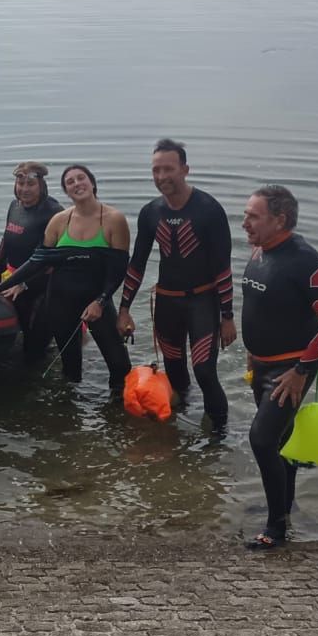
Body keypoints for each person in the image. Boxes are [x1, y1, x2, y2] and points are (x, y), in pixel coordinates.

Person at [238, 185, 318, 550]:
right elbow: (260, 304)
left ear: (279, 219)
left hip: (289, 371)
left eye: (253, 216)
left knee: (262, 439)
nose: (244, 223)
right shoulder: (260, 249)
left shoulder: (304, 260)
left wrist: (302, 370)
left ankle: (276, 529)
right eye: (246, 215)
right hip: (263, 365)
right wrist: (252, 350)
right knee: (280, 441)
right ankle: (283, 503)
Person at [118, 138, 236, 437]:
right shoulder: (150, 212)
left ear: (185, 169)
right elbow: (137, 264)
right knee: (175, 372)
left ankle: (218, 439)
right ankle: (177, 429)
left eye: (168, 169)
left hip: (202, 301)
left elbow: (222, 268)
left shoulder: (209, 209)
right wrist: (124, 309)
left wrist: (227, 316)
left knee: (205, 371)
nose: (161, 177)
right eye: (155, 170)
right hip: (167, 303)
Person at [0, 164, 132, 395]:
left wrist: (100, 301)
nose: (77, 184)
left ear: (92, 183)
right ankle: (70, 421)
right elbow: (38, 260)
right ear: (66, 191)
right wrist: (2, 287)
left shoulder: (114, 219)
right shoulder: (59, 221)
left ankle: (118, 414)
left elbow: (118, 270)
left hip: (96, 301)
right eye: (70, 182)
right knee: (71, 372)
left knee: (120, 366)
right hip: (60, 301)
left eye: (81, 178)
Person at [0, 161, 62, 330]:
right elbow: (7, 237)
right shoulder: (15, 205)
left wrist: (24, 283)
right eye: (20, 184)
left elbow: (49, 260)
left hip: (40, 280)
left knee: (32, 339)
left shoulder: (53, 212)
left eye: (31, 184)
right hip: (14, 272)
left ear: (41, 186)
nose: (25, 189)